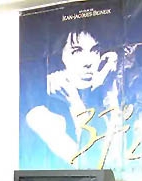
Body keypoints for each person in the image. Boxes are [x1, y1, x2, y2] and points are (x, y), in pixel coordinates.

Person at [21, 18, 123, 170]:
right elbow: (88, 166)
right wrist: (74, 101)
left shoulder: (100, 94)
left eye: (95, 50)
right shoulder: (40, 115)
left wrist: (108, 89)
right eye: (77, 51)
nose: (88, 62)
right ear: (59, 56)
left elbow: (117, 158)